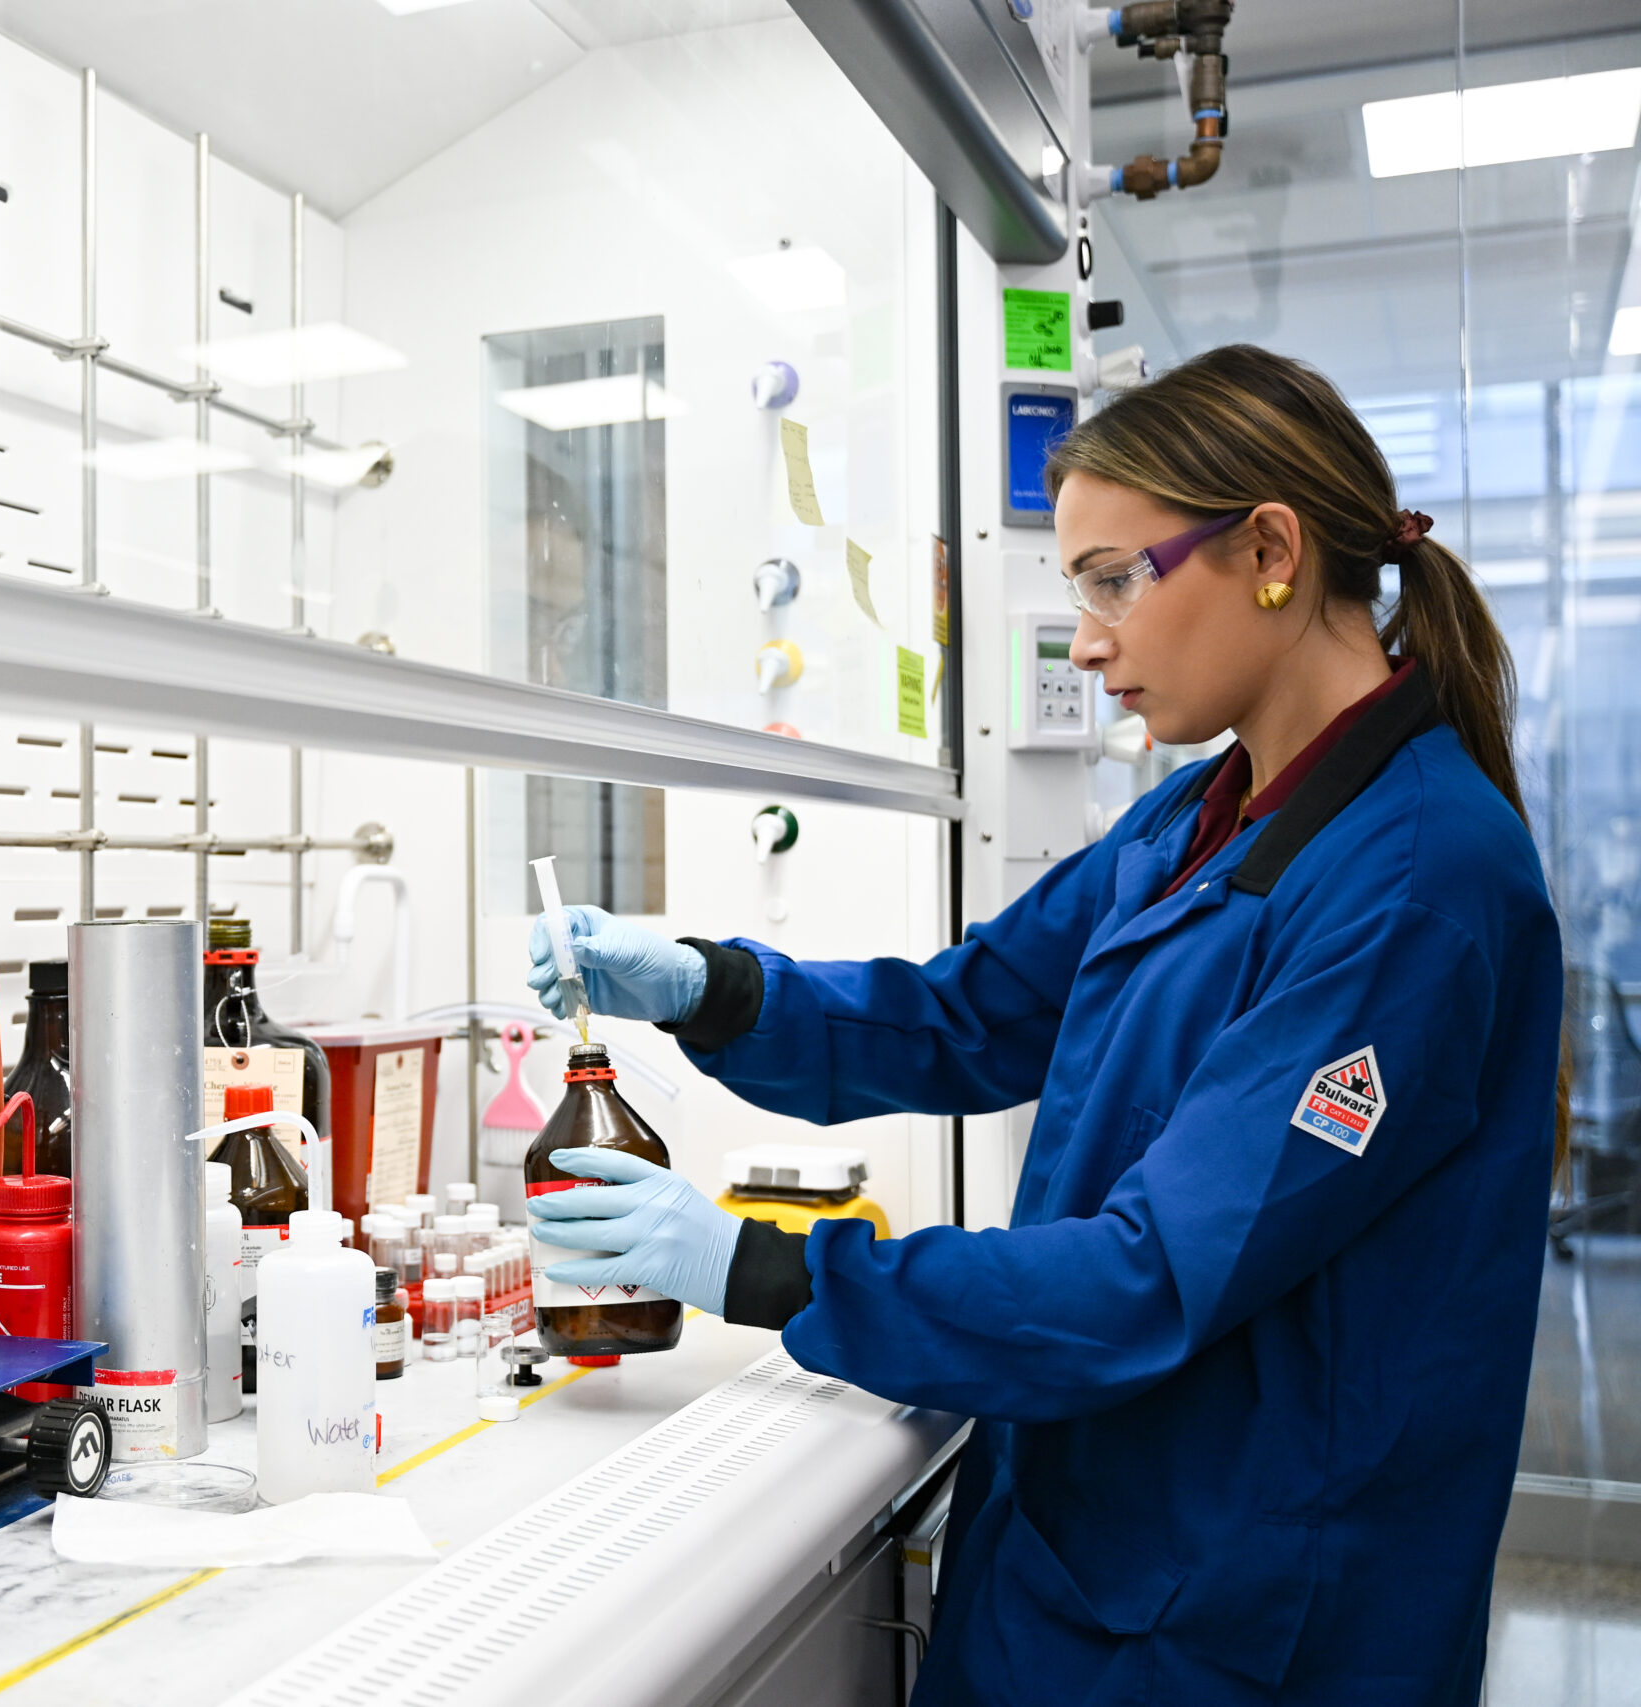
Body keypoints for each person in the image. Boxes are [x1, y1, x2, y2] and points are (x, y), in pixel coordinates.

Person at [524, 344, 1562, 1705]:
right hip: (1093, 1559)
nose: (1083, 642)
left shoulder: (1419, 887)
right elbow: (965, 1017)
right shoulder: (1197, 820)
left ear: (1269, 550)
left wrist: (769, 1270)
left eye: (1116, 580)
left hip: (1248, 1620)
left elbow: (1154, 1276)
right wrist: (713, 984)